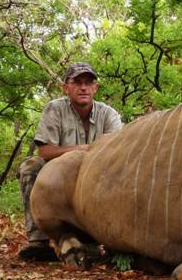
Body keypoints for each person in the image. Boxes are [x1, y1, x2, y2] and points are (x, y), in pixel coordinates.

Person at [17, 62, 123, 261]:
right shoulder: (54, 109)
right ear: (66, 88)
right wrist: (80, 150)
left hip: (96, 176)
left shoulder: (109, 114)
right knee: (29, 167)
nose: (83, 88)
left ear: (95, 88)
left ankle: (105, 238)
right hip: (59, 176)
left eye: (88, 83)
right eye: (77, 82)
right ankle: (38, 241)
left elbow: (115, 154)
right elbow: (45, 151)